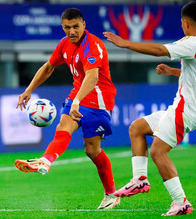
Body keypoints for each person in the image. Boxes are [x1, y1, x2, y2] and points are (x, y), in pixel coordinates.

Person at [104, 1, 196, 216]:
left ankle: (181, 202)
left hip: (185, 110)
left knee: (158, 151)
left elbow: (159, 50)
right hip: (188, 108)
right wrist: (173, 72)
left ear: (185, 23)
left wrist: (125, 44)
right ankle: (139, 180)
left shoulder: (192, 43)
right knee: (137, 128)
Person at [15, 8, 120, 209]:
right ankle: (46, 161)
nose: (71, 31)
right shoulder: (64, 44)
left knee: (92, 150)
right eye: (67, 27)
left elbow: (92, 77)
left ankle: (111, 194)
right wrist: (29, 90)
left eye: (75, 27)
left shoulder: (92, 45)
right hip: (79, 94)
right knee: (63, 124)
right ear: (62, 27)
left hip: (99, 98)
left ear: (84, 25)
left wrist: (77, 101)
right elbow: (48, 67)